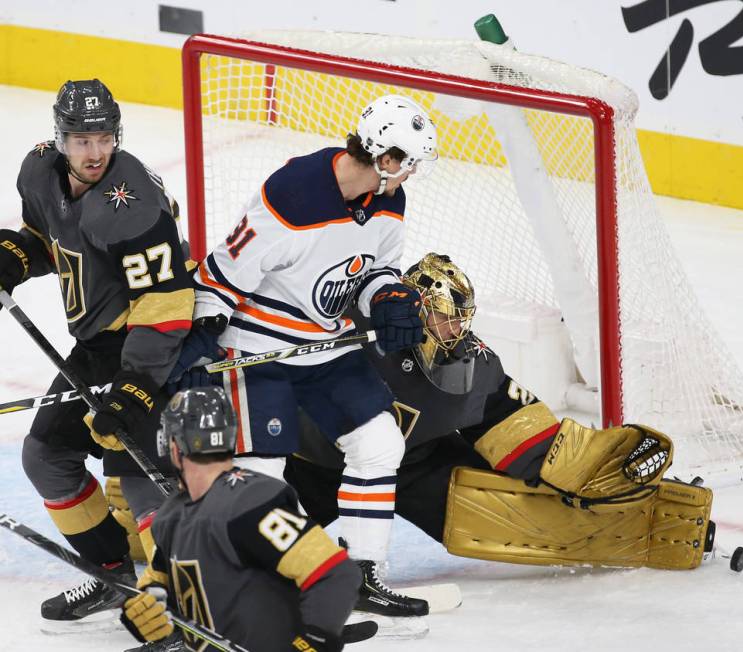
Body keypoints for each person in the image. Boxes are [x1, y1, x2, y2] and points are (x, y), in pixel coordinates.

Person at [169, 94, 439, 616]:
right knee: (261, 472)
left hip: (325, 347)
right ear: (386, 160)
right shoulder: (292, 194)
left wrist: (386, 297)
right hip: (257, 349)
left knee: (380, 444)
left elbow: (373, 271)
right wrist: (200, 331)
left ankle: (361, 573)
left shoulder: (389, 202)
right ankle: (259, 587)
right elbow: (224, 271)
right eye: (407, 163)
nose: (409, 174)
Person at [284, 253, 716, 573]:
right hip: (306, 463)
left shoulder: (472, 367)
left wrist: (595, 465)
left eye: (459, 320)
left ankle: (644, 523)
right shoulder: (347, 325)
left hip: (413, 465)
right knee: (252, 543)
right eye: (442, 318)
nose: (455, 331)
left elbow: (523, 432)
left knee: (504, 511)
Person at [0, 79, 193, 622]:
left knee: (139, 475)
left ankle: (181, 599)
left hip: (151, 344)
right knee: (46, 456)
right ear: (59, 139)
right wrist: (14, 255)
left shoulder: (135, 205)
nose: (95, 152)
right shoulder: (39, 171)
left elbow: (167, 304)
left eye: (104, 138)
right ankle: (112, 575)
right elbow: (48, 239)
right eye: (82, 140)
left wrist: (136, 387)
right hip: (94, 343)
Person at [120, 386, 361, 652]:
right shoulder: (173, 515)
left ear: (173, 446)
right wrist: (150, 606)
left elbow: (336, 573)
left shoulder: (249, 503)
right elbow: (160, 578)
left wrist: (312, 642)